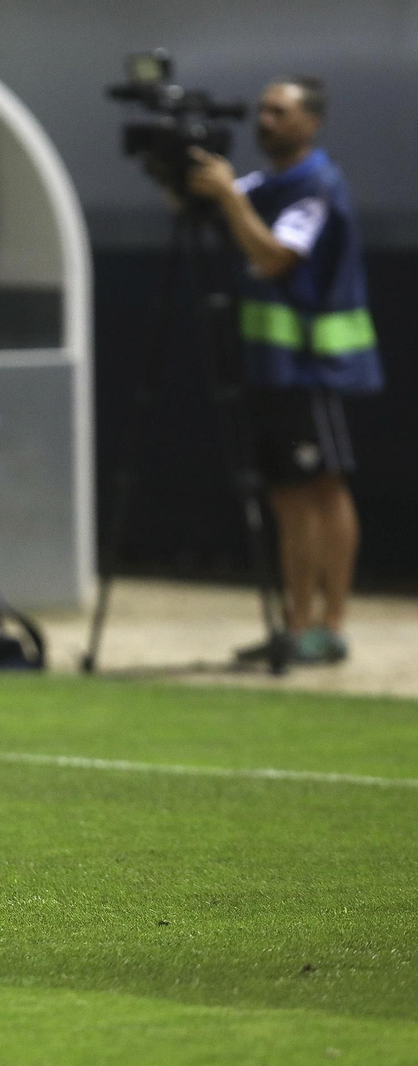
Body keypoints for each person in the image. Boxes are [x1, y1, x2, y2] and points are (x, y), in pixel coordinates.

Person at [187, 76, 382, 665]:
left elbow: (274, 258)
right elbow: (194, 202)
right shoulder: (263, 185)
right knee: (287, 498)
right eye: (263, 110)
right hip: (269, 367)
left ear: (310, 121)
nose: (265, 120)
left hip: (312, 366)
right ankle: (296, 627)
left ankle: (334, 624)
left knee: (324, 488)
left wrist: (227, 197)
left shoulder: (316, 184)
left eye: (280, 111)